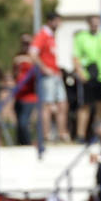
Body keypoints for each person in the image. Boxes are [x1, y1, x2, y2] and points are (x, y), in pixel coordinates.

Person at [71, 16, 101, 141]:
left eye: (97, 23)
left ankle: (98, 134)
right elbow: (76, 56)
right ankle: (81, 134)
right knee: (85, 105)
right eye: (93, 23)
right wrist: (80, 72)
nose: (95, 25)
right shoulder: (81, 37)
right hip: (88, 74)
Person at [30, 12, 67, 142]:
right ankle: (46, 135)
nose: (59, 24)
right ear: (50, 21)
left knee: (62, 104)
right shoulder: (42, 35)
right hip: (47, 77)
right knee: (47, 105)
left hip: (56, 75)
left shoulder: (51, 36)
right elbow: (33, 53)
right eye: (57, 21)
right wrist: (44, 68)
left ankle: (62, 133)